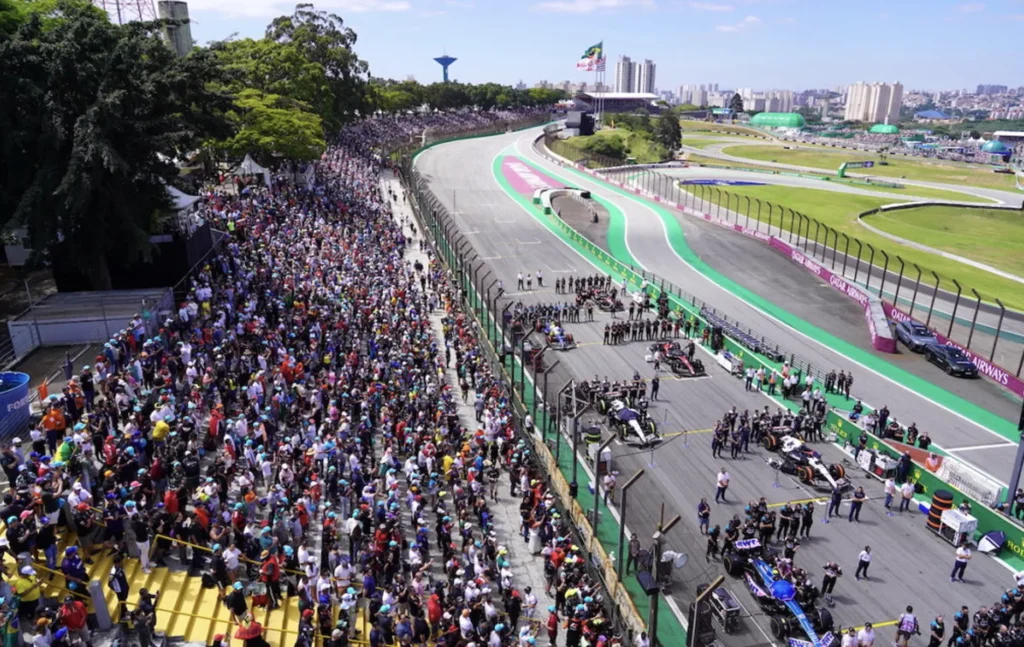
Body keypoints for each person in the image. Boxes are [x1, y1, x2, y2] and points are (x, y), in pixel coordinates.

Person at [108, 555, 130, 623]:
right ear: (117, 563)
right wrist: (116, 589)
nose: (122, 563)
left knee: (124, 601)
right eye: (121, 562)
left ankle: (125, 611)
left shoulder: (120, 568)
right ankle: (122, 616)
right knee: (122, 602)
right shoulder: (113, 572)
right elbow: (109, 583)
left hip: (124, 587)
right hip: (120, 590)